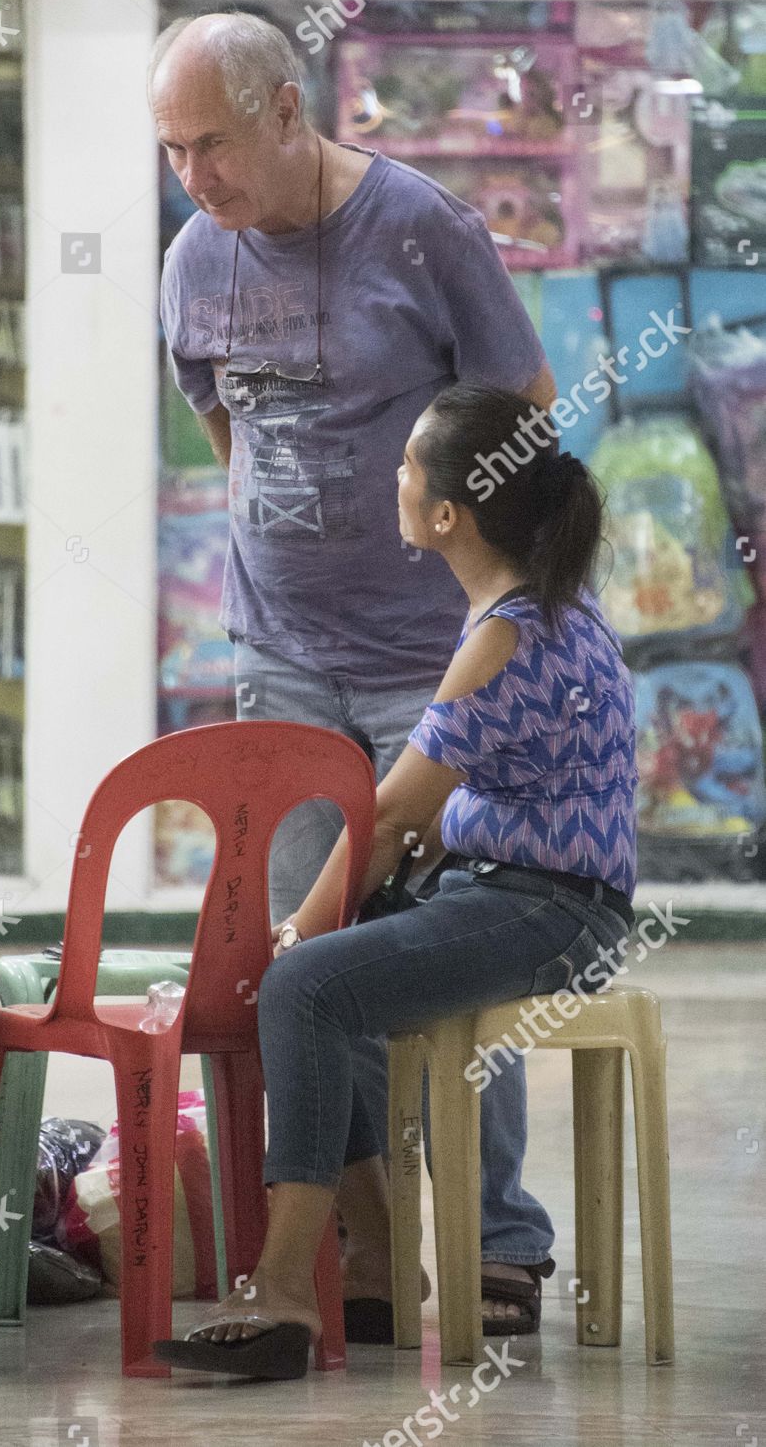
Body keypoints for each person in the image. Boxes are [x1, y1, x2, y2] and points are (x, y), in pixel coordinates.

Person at [152, 10, 561, 1332]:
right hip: (282, 662)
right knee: (315, 953)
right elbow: (220, 418)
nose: (195, 178)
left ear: (286, 112)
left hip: (430, 662)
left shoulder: (421, 229)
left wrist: (480, 601)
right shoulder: (191, 262)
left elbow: (524, 409)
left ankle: (493, 1241)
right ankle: (375, 1256)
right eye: (172, 153)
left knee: (438, 949)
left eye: (212, 143)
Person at [154, 383, 637, 1379]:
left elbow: (389, 816)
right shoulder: (536, 611)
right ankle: (370, 1264)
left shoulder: (505, 635)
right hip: (520, 891)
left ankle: (291, 1285)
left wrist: (294, 930)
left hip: (548, 908)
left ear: (448, 514)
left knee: (304, 982)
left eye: (410, 464)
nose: (395, 478)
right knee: (331, 973)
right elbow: (441, 809)